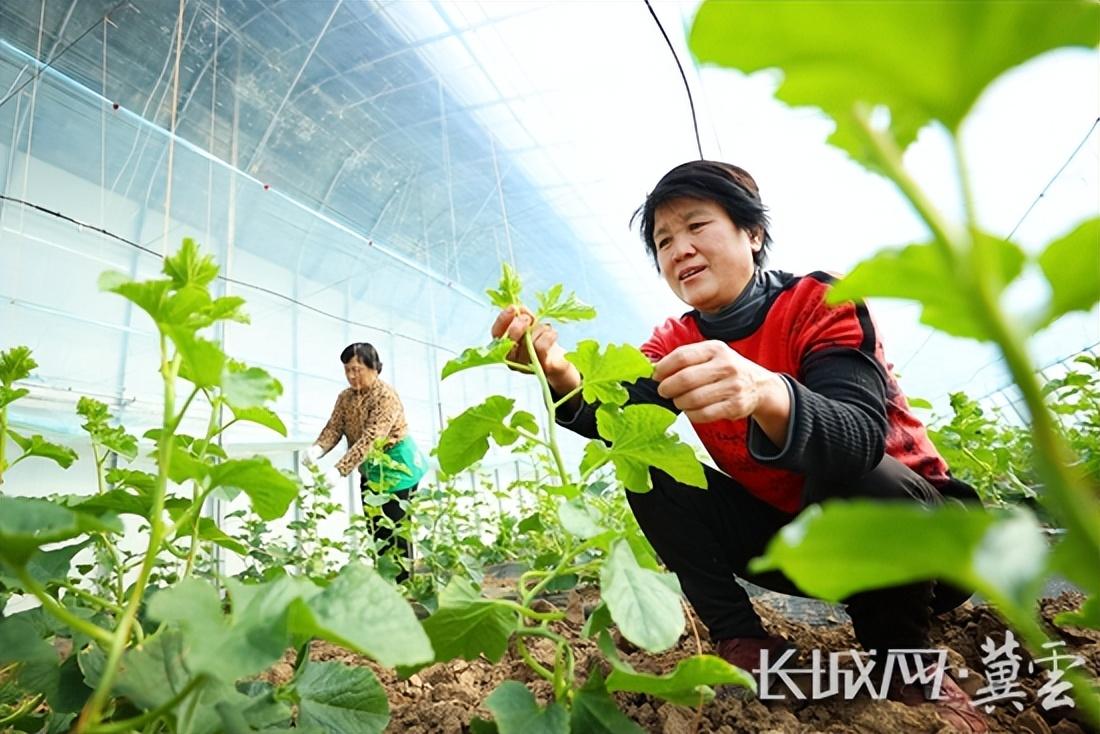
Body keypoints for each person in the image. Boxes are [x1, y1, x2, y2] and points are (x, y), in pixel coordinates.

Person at [491, 161, 987, 733]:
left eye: (697, 226)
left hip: (927, 548)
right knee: (643, 460)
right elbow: (618, 417)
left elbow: (856, 441)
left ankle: (903, 663)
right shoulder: (675, 340)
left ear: (753, 234)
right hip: (801, 550)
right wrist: (557, 373)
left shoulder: (818, 301)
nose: (680, 250)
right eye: (664, 241)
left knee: (858, 472)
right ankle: (744, 644)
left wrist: (766, 390)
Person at [304, 342, 427, 583]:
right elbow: (335, 426)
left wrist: (340, 470)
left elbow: (372, 437)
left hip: (396, 465)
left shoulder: (386, 396)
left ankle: (403, 585)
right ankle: (385, 581)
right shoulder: (345, 397)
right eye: (347, 369)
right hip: (370, 467)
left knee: (396, 529)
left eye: (357, 369)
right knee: (376, 527)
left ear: (375, 368)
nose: (351, 375)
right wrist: (318, 447)